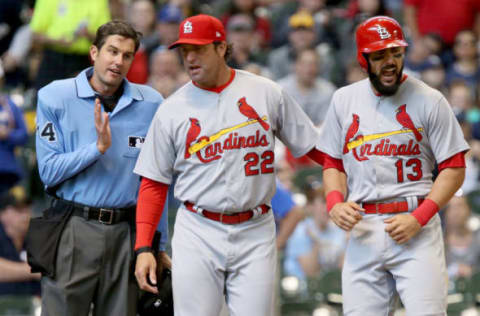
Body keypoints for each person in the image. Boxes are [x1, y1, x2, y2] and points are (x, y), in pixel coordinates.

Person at [133, 14, 324, 316]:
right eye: (184, 51)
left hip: (256, 227)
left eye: (199, 49)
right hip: (198, 228)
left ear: (222, 48)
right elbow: (153, 183)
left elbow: (314, 147)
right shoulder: (171, 110)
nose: (190, 58)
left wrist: (353, 171)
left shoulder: (266, 92)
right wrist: (144, 247)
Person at [318, 16, 469, 315]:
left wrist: (420, 217)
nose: (389, 62)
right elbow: (332, 161)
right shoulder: (343, 100)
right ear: (363, 59)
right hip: (363, 228)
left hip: (415, 225)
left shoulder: (430, 99)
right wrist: (334, 202)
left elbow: (454, 166)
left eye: (395, 53)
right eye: (379, 55)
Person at [34, 20, 169, 316]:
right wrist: (95, 149)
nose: (118, 61)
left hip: (127, 231)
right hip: (73, 225)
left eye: (127, 55)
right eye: (112, 51)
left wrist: (158, 244)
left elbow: (156, 180)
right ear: (94, 53)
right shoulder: (55, 96)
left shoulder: (152, 103)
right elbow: (48, 172)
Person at [0, 190, 41, 296]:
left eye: (27, 209)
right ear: (2, 214)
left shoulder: (35, 238)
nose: (25, 215)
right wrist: (32, 270)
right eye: (18, 210)